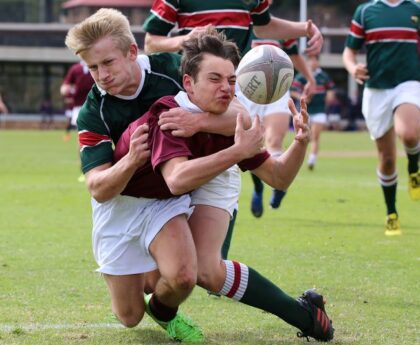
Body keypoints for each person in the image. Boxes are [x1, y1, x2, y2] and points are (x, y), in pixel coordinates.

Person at [115, 28, 334, 343]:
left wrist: (300, 142)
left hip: (215, 177)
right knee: (150, 284)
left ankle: (303, 313)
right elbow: (176, 179)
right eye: (215, 79)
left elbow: (279, 177)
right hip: (168, 184)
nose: (226, 89)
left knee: (206, 272)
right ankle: (162, 308)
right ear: (189, 82)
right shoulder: (171, 113)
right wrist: (236, 149)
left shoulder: (236, 124)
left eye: (232, 81)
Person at [64, 8, 250, 343]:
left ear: (132, 52)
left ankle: (166, 311)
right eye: (93, 67)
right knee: (131, 317)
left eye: (108, 63)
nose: (101, 74)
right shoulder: (94, 111)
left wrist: (199, 122)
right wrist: (132, 160)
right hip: (118, 207)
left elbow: (238, 113)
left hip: (165, 200)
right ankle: (141, 292)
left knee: (182, 277)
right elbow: (98, 188)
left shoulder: (170, 70)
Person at [142, 0, 323, 251]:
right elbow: (151, 42)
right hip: (191, 90)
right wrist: (183, 41)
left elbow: (265, 26)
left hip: (231, 91)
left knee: (239, 137)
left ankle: (220, 229)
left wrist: (305, 28)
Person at [343, 0, 420, 236]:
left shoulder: (415, 9)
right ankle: (391, 213)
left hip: (408, 84)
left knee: (408, 133)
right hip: (376, 90)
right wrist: (352, 68)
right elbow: (349, 52)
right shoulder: (366, 12)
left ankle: (414, 168)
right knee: (386, 159)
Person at [243, 35, 316, 218]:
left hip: (277, 89)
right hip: (248, 89)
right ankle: (259, 188)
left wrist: (310, 78)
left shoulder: (279, 29)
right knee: (255, 145)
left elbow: (294, 54)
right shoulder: (242, 22)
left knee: (274, 141)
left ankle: (279, 178)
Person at [291, 54, 335, 170]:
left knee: (315, 136)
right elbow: (293, 91)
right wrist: (302, 97)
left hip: (320, 110)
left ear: (318, 62)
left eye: (315, 60)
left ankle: (311, 160)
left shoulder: (323, 76)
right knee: (305, 137)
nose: (312, 63)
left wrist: (329, 97)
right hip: (306, 111)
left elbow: (330, 89)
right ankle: (299, 159)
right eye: (310, 60)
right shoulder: (302, 76)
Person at [60, 61, 95, 142]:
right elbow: (65, 85)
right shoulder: (75, 69)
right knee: (82, 135)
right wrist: (64, 89)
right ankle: (82, 154)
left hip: (96, 105)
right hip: (79, 107)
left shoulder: (97, 65)